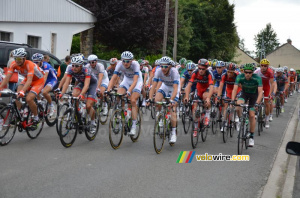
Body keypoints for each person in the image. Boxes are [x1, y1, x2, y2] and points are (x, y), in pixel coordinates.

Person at [0, 48, 45, 128]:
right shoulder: (13, 64)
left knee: (28, 99)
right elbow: (7, 77)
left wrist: (23, 91)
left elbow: (30, 80)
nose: (17, 60)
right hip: (27, 79)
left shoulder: (29, 64)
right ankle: (20, 113)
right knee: (16, 95)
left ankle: (36, 117)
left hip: (38, 81)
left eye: (19, 58)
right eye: (15, 58)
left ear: (24, 58)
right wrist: (0, 88)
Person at [107, 51, 143, 136]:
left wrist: (129, 91)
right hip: (126, 80)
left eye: (128, 61)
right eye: (124, 61)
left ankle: (134, 125)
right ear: (121, 60)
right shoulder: (119, 64)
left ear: (131, 61)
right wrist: (108, 89)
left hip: (137, 81)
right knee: (118, 95)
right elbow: (114, 78)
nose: (125, 63)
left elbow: (135, 81)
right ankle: (121, 112)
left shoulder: (136, 64)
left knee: (133, 101)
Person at [59, 55, 98, 133]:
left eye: (77, 66)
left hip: (92, 85)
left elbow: (87, 85)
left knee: (88, 106)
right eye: (73, 65)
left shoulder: (86, 70)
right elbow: (66, 83)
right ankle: (78, 111)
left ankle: (93, 123)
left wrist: (82, 94)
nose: (74, 67)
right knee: (74, 96)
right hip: (82, 83)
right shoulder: (70, 69)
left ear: (81, 66)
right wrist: (61, 93)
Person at [148, 56, 180, 143]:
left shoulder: (174, 72)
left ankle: (173, 133)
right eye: (161, 66)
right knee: (157, 100)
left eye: (165, 66)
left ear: (170, 66)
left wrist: (172, 100)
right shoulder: (158, 71)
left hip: (174, 88)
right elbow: (154, 85)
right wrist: (150, 98)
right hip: (165, 86)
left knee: (172, 108)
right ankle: (160, 115)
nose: (163, 68)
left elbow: (175, 88)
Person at [232, 63, 263, 147]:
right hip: (244, 94)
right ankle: (241, 119)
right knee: (238, 106)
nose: (248, 74)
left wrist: (257, 103)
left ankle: (252, 137)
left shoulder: (257, 78)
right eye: (246, 72)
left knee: (252, 115)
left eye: (250, 72)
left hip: (254, 96)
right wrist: (232, 100)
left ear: (252, 72)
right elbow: (235, 89)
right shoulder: (240, 77)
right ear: (244, 72)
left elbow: (260, 92)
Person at [184, 59, 214, 137]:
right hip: (199, 89)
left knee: (205, 97)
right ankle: (196, 128)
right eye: (199, 68)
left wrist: (208, 98)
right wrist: (186, 96)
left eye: (203, 69)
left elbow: (211, 87)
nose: (200, 70)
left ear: (206, 68)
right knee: (194, 107)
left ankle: (207, 113)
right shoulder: (195, 72)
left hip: (207, 89)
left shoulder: (209, 74)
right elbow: (189, 85)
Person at [254, 59, 275, 128]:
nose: (263, 67)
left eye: (265, 66)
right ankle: (256, 112)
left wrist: (270, 94)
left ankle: (267, 119)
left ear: (267, 66)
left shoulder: (270, 72)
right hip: (258, 87)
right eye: (262, 65)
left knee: (267, 103)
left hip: (266, 88)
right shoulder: (257, 71)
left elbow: (272, 84)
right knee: (256, 100)